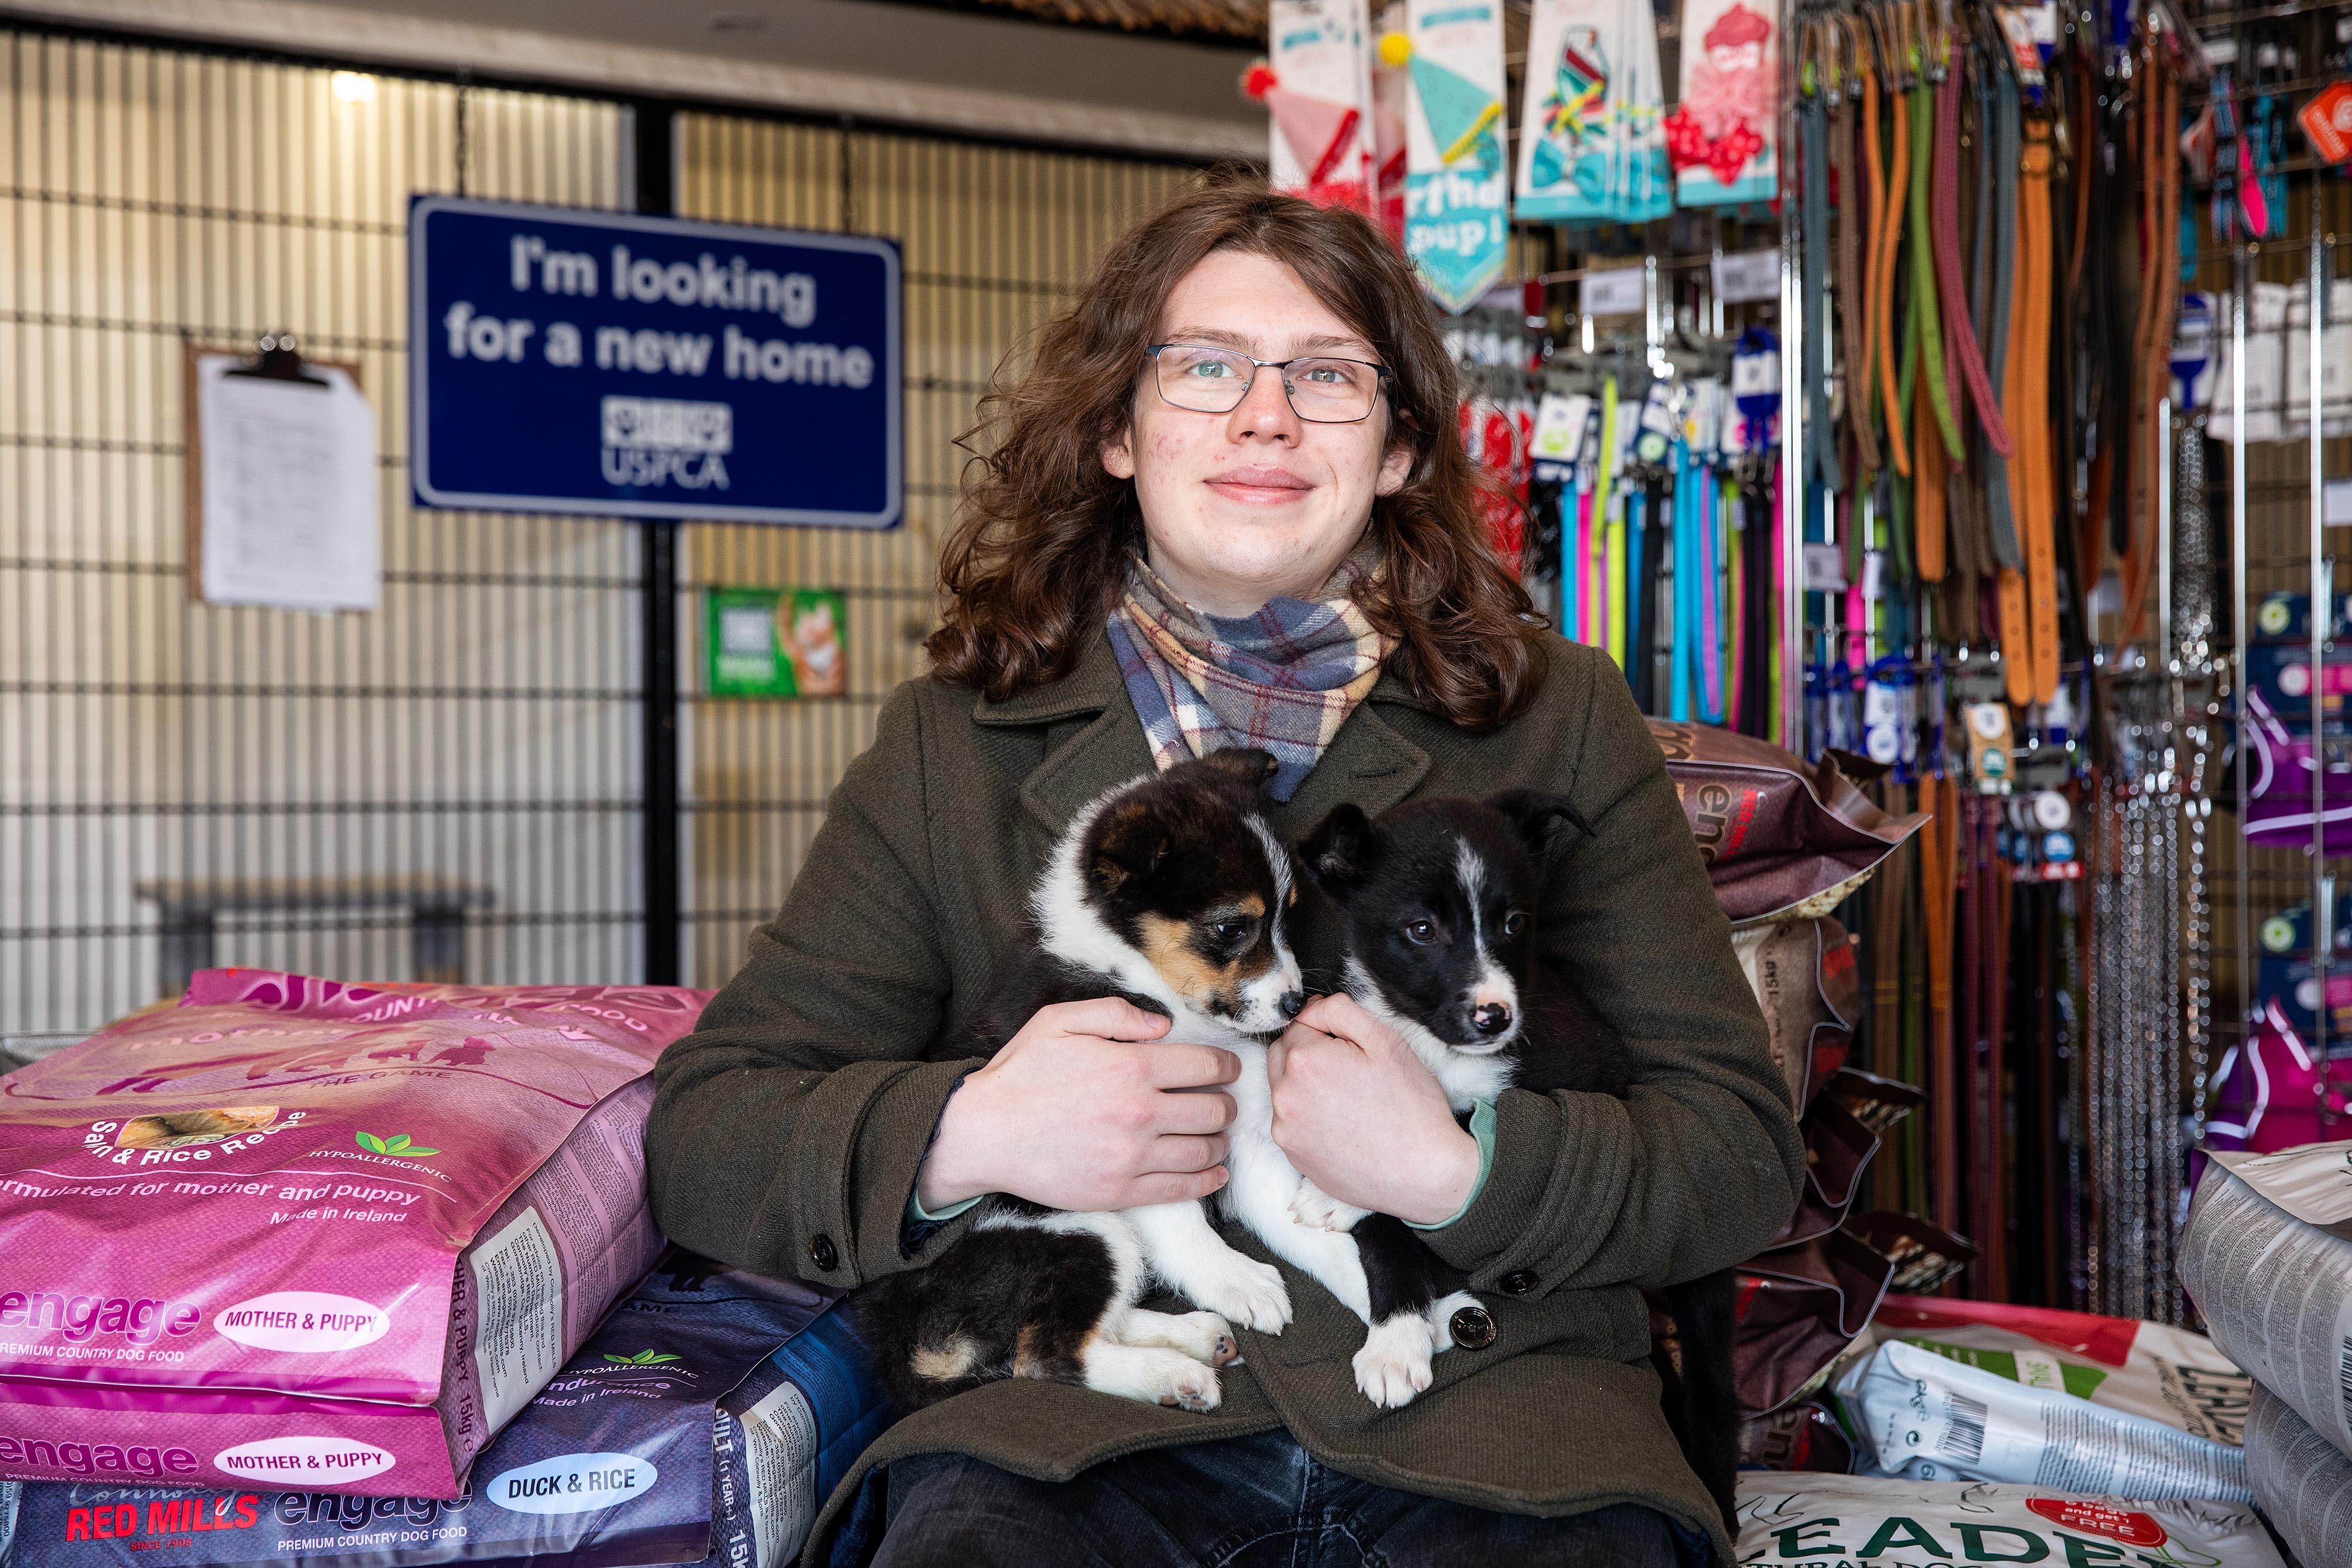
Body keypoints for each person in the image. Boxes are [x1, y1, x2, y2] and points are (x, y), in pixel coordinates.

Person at [646, 180, 1803, 1568]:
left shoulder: (1558, 716)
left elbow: (1737, 1150)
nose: (1266, 414)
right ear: (1118, 431)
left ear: (1393, 448)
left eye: (1325, 373)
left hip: (1505, 1425)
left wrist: (1460, 1167)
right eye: (1204, 368)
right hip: (1071, 1437)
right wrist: (972, 1128)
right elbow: (710, 1131)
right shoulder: (953, 741)